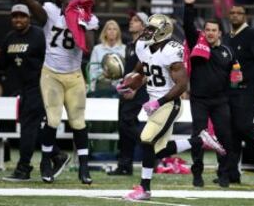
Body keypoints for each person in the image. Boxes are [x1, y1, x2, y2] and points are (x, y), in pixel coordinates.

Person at [118, 13, 226, 200]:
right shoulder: (144, 47)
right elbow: (146, 70)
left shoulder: (171, 51)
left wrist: (158, 102)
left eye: (152, 29)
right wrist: (131, 86)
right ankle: (199, 141)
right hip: (156, 104)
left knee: (146, 138)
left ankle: (144, 189)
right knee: (157, 150)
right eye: (148, 28)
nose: (147, 32)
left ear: (163, 32)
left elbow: (182, 85)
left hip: (169, 103)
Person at [6, 0, 99, 184]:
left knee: (78, 122)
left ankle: (84, 168)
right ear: (62, 3)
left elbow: (88, 49)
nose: (69, 7)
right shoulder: (52, 13)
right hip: (51, 74)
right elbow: (33, 6)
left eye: (74, 3)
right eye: (67, 2)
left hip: (74, 75)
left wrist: (83, 23)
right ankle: (46, 162)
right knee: (53, 119)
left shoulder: (88, 19)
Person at [0, 4, 69, 182]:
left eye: (22, 16)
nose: (18, 20)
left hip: (41, 86)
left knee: (27, 127)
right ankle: (57, 155)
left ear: (29, 18)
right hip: (24, 89)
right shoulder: (9, 38)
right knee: (31, 128)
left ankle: (23, 169)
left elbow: (53, 58)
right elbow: (3, 65)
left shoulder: (40, 35)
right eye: (15, 16)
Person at [183, 0, 241, 188]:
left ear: (219, 33)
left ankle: (223, 174)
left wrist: (236, 86)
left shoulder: (228, 52)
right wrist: (189, 7)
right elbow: (188, 27)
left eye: (213, 30)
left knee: (225, 137)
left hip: (221, 101)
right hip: (198, 100)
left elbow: (235, 77)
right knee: (198, 138)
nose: (209, 33)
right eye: (207, 30)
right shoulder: (196, 45)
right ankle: (197, 173)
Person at [219, 5, 254, 184]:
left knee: (242, 126)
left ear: (245, 16)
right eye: (232, 13)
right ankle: (232, 173)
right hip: (230, 90)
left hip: (250, 89)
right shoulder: (226, 38)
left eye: (239, 13)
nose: (235, 16)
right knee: (232, 132)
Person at [107, 12, 149, 175]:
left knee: (127, 122)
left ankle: (152, 148)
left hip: (138, 91)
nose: (131, 22)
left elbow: (148, 69)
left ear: (144, 26)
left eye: (136, 20)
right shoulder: (131, 45)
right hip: (127, 89)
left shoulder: (144, 44)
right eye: (131, 19)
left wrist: (135, 88)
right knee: (124, 126)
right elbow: (131, 70)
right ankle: (125, 165)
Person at [89, 19, 126, 96]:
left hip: (120, 85)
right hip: (102, 83)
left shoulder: (124, 49)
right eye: (109, 29)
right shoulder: (97, 49)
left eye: (114, 29)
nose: (112, 31)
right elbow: (92, 70)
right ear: (105, 32)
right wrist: (91, 88)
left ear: (118, 33)